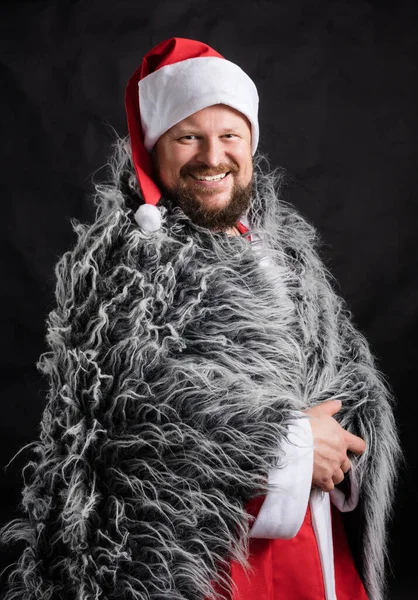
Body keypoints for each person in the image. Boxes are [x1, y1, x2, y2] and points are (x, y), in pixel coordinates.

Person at [1, 37, 401, 600]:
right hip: (202, 564)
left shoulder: (286, 252)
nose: (212, 158)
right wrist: (289, 447)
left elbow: (345, 383)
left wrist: (339, 448)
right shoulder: (124, 266)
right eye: (189, 137)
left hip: (313, 548)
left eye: (229, 136)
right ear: (155, 146)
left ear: (250, 143)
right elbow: (127, 428)